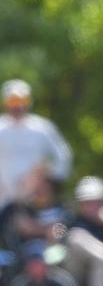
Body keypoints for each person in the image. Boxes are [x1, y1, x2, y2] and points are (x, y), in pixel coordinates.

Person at [0, 79, 72, 208]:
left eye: (21, 101)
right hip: (3, 199)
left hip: (34, 201)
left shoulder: (42, 127)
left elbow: (63, 155)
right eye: (13, 102)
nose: (17, 106)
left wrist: (47, 178)